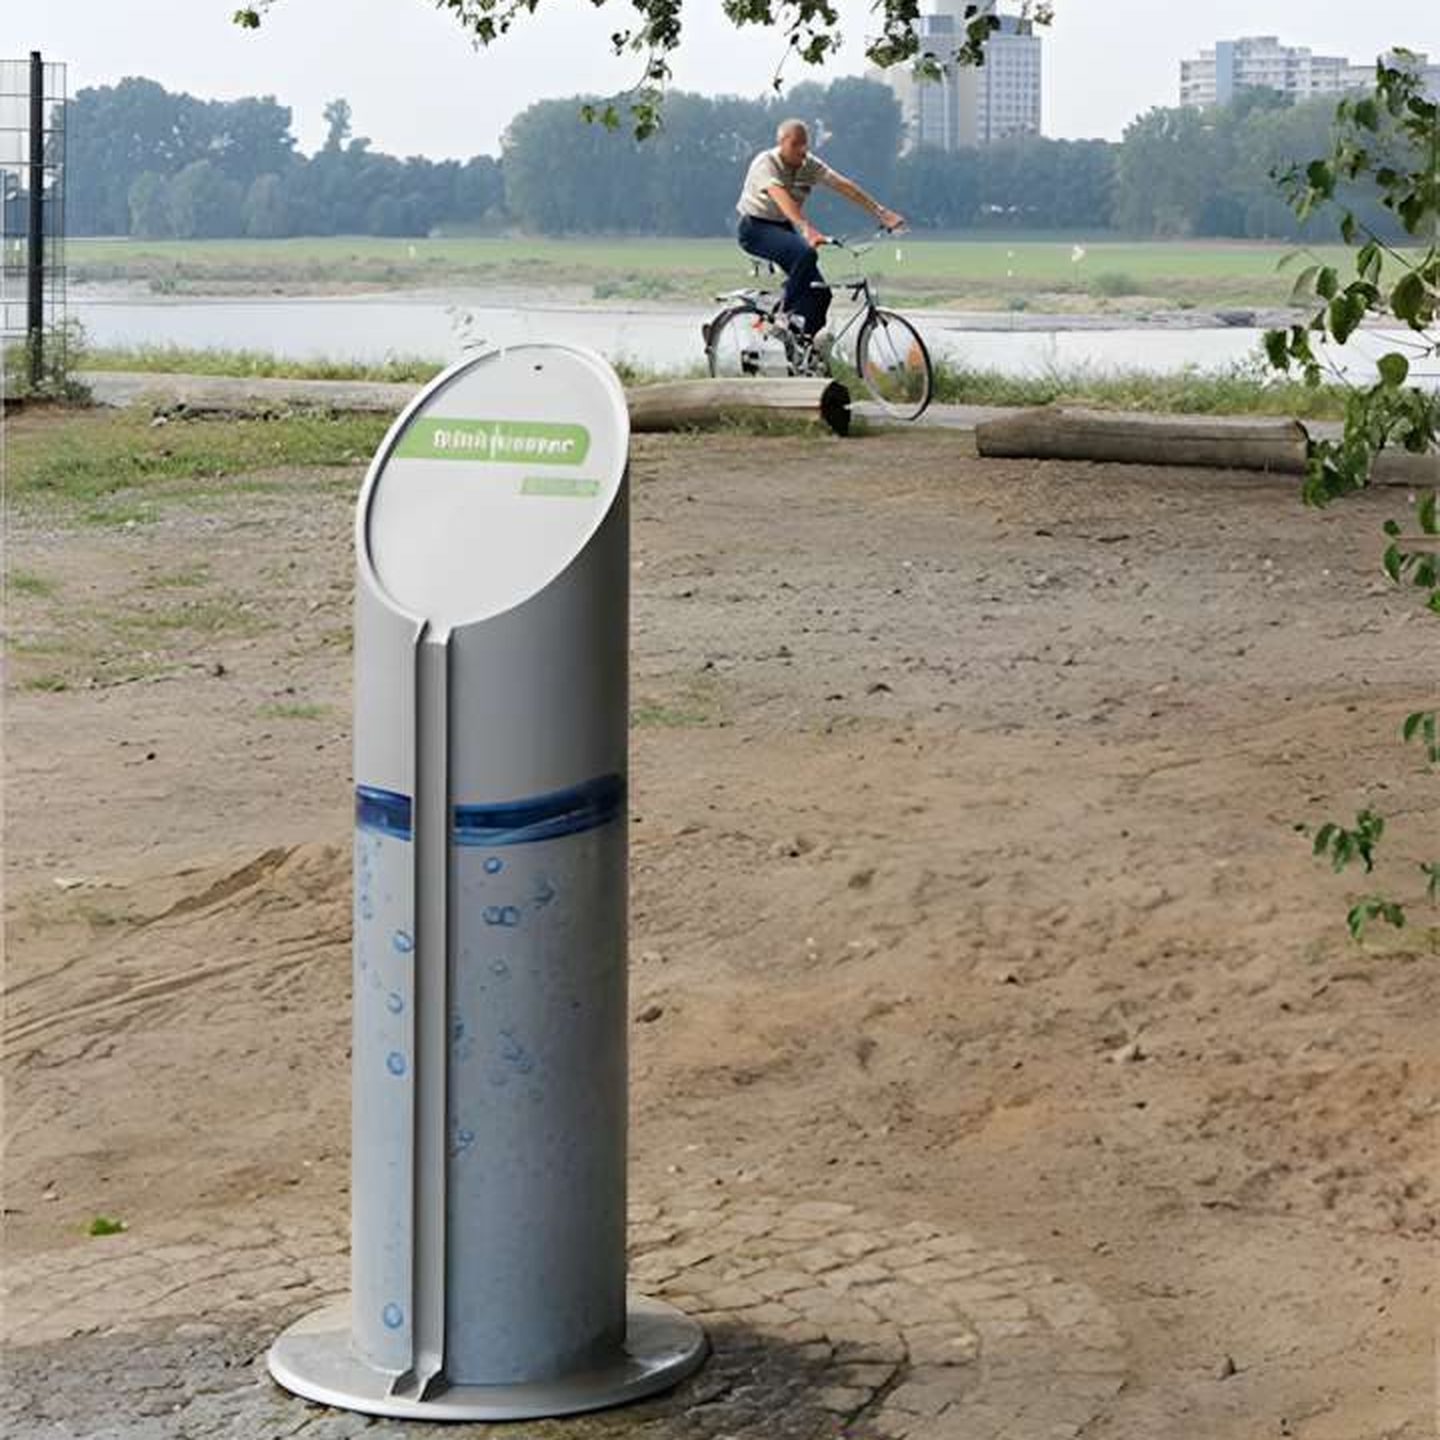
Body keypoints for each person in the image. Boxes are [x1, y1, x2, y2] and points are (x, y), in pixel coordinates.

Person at [734, 118, 905, 346]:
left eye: (805, 144)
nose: (802, 150)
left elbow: (842, 185)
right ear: (781, 142)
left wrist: (880, 212)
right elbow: (781, 197)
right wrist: (807, 229)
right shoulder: (766, 163)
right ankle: (782, 315)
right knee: (806, 254)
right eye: (795, 144)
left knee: (821, 295)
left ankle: (799, 349)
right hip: (755, 228)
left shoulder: (808, 165)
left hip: (782, 227)